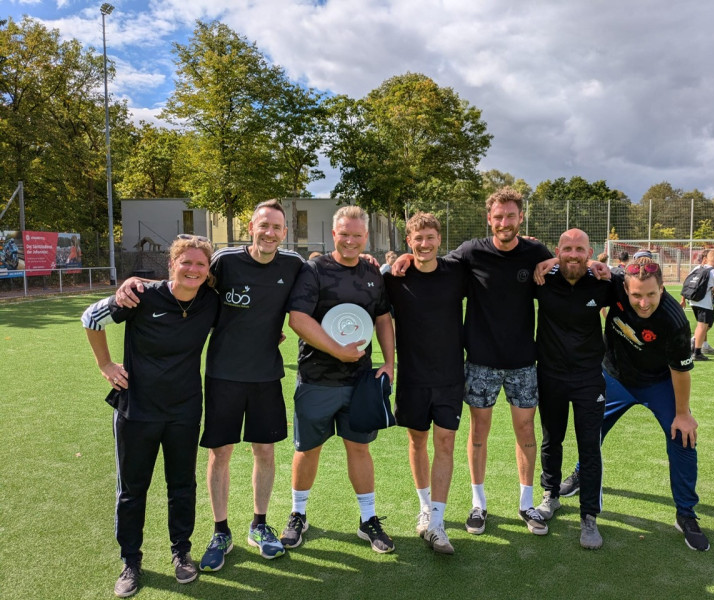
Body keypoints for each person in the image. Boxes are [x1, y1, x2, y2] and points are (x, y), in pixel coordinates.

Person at [115, 201, 305, 571]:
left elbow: (324, 278)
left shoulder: (293, 264)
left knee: (265, 451)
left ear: (285, 232)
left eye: (276, 227)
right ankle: (220, 531)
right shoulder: (225, 260)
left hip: (266, 375)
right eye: (263, 225)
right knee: (221, 453)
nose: (269, 233)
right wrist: (135, 283)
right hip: (222, 375)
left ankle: (259, 525)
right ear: (251, 227)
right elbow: (187, 277)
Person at [393, 187, 566, 537]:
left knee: (526, 432)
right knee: (478, 435)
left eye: (511, 215)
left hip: (523, 362)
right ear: (489, 219)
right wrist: (406, 256)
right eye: (498, 216)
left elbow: (568, 267)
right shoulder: (471, 251)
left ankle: (526, 503)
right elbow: (432, 259)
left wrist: (557, 260)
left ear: (521, 217)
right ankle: (478, 504)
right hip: (480, 363)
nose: (505, 222)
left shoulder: (535, 252)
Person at [82, 235, 219, 598]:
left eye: (200, 264)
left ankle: (182, 553)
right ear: (172, 264)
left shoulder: (210, 302)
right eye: (186, 262)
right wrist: (105, 365)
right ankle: (131, 561)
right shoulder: (141, 295)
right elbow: (91, 317)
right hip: (137, 410)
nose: (193, 269)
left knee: (182, 485)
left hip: (184, 410)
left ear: (208, 271)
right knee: (132, 490)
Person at [561, 257, 710, 551]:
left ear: (662, 289)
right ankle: (581, 473)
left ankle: (686, 514)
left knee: (683, 437)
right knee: (591, 429)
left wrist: (682, 414)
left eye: (651, 294)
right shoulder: (615, 283)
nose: (643, 303)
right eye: (636, 295)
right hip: (615, 376)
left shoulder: (674, 320)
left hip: (659, 382)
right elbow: (577, 262)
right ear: (625, 289)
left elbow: (681, 371)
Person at [281, 205, 396, 553]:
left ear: (366, 237)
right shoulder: (314, 270)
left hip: (359, 381)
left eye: (357, 235)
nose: (350, 240)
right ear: (334, 234)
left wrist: (390, 362)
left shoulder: (373, 272)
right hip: (316, 379)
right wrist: (337, 350)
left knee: (359, 448)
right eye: (344, 234)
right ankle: (298, 515)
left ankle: (368, 519)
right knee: (308, 450)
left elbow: (383, 318)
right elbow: (298, 319)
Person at [383, 213, 467, 554]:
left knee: (445, 443)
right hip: (412, 378)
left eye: (430, 237)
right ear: (409, 242)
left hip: (450, 377)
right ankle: (424, 506)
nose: (424, 244)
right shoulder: (395, 278)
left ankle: (437, 523)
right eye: (418, 239)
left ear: (439, 239)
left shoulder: (457, 273)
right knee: (417, 442)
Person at [533, 229, 614, 549]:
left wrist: (605, 268)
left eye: (580, 249)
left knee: (589, 446)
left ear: (590, 253)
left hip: (588, 379)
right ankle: (550, 495)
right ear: (557, 251)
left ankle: (589, 516)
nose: (573, 254)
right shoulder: (543, 280)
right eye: (567, 248)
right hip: (549, 375)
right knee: (551, 439)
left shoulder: (602, 282)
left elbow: (635, 286)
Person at [681, 249, 714, 361]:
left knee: (707, 324)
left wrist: (683, 299)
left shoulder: (697, 268)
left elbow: (687, 282)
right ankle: (696, 352)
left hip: (693, 300)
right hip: (704, 302)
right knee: (702, 326)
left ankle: (695, 341)